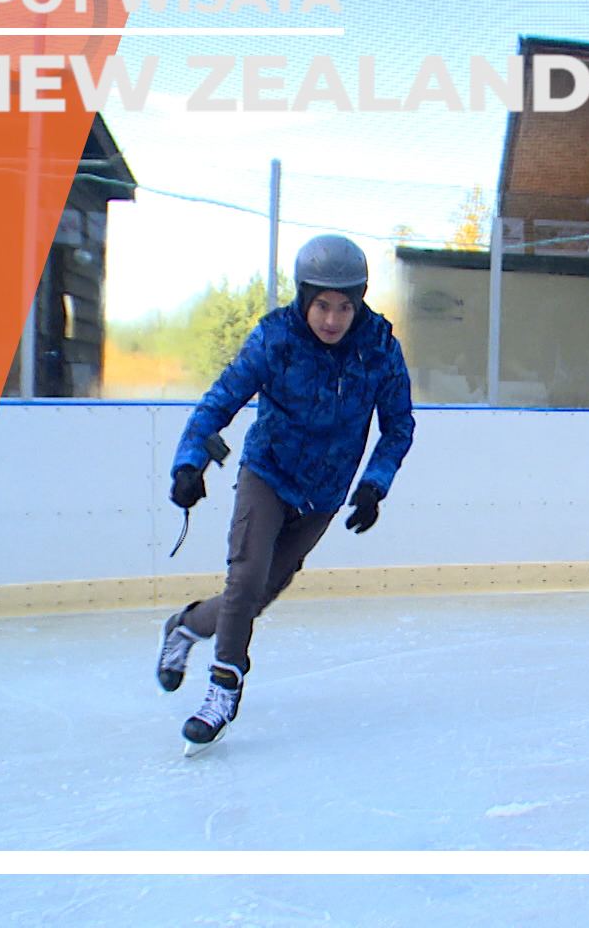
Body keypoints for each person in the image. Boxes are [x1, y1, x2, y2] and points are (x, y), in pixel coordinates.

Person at [154, 235, 416, 752]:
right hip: (267, 474)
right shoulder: (276, 339)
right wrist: (189, 464)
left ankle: (185, 626)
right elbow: (218, 403)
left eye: (346, 306)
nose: (333, 320)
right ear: (304, 298)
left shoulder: (380, 349)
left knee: (257, 595)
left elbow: (399, 425)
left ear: (360, 300)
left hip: (323, 493)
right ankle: (222, 692)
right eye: (322, 305)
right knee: (246, 578)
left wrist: (373, 485)